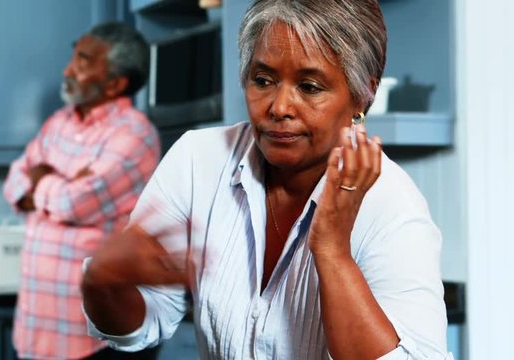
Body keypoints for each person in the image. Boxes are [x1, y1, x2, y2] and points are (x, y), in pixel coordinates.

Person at [81, 1, 452, 359]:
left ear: (361, 96)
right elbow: (144, 320)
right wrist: (103, 282)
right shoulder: (197, 161)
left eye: (309, 87)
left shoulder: (392, 205)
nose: (279, 107)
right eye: (263, 80)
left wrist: (333, 251)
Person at [3, 22, 160, 360]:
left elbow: (75, 203)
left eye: (83, 61)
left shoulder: (135, 134)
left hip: (96, 340)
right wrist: (57, 184)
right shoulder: (58, 122)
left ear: (115, 83)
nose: (67, 70)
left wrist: (41, 179)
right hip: (36, 330)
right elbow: (14, 180)